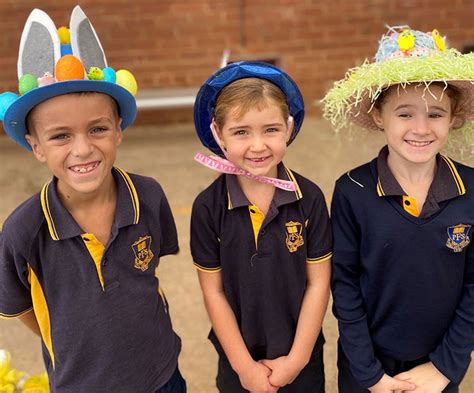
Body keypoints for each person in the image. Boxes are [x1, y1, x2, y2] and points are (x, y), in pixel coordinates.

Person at [0, 6, 185, 392]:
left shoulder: (148, 195)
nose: (83, 149)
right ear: (35, 147)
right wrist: (71, 336)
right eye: (60, 136)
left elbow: (149, 274)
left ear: (119, 130)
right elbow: (20, 308)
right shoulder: (22, 232)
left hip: (162, 376)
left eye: (98, 129)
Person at [323, 26, 474, 393]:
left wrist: (445, 368)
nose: (421, 128)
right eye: (404, 114)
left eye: (435, 114)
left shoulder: (472, 188)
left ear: (453, 117)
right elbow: (344, 286)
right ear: (378, 116)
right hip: (368, 369)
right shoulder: (351, 191)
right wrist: (369, 374)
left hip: (438, 367)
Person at [190, 61, 332, 392]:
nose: (258, 146)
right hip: (238, 361)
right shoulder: (207, 208)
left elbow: (318, 284)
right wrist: (245, 368)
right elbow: (214, 292)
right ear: (217, 134)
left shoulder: (308, 198)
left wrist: (296, 360)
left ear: (289, 127)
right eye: (241, 132)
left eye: (271, 129)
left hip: (303, 357)